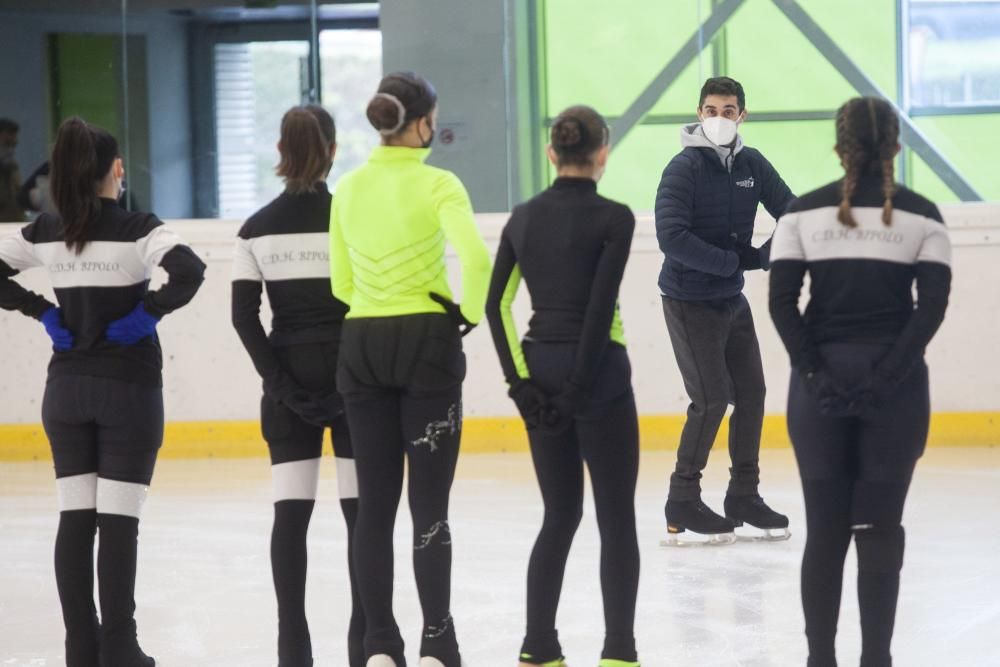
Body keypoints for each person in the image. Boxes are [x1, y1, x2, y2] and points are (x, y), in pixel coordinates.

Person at [0, 117, 205, 666]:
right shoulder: (140, 227)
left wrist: (43, 311)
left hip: (65, 392)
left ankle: (80, 649)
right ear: (116, 169)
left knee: (76, 518)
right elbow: (189, 270)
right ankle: (119, 646)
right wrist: (148, 314)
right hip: (128, 391)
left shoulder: (46, 229)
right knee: (117, 524)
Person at [769, 96, 951, 667]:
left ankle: (819, 659)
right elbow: (931, 309)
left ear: (838, 149)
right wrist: (887, 378)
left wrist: (815, 374)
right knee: (878, 530)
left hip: (817, 392)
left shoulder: (800, 213)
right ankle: (877, 660)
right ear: (895, 147)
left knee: (825, 534)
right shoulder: (925, 216)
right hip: (895, 395)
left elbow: (780, 305)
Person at [328, 71, 492, 667]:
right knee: (429, 503)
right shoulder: (439, 183)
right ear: (421, 123)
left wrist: (375, 306)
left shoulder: (347, 188)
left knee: (374, 505)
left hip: (362, 341)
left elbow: (341, 283)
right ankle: (436, 642)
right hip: (427, 340)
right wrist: (466, 316)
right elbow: (475, 259)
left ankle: (378, 645)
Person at [486, 105, 641, 667]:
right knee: (615, 517)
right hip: (596, 377)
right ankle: (619, 653)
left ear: (552, 154)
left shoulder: (522, 217)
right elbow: (599, 313)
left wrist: (520, 387)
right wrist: (579, 388)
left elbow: (495, 306)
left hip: (540, 374)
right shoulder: (616, 219)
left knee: (559, 514)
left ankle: (538, 646)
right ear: (602, 154)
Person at [231, 105, 365, 667]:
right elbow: (370, 307)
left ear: (280, 153)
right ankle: (367, 642)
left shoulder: (255, 229)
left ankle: (293, 651)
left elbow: (244, 318)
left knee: (291, 515)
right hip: (353, 384)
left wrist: (284, 389)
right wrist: (346, 385)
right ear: (332, 150)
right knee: (362, 516)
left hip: (287, 387)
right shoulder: (352, 220)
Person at [654, 76, 794, 544]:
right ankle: (682, 499)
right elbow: (671, 238)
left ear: (742, 116)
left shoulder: (751, 163)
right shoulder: (683, 169)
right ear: (699, 114)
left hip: (730, 300)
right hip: (688, 299)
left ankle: (743, 495)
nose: (719, 118)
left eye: (728, 110)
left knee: (751, 394)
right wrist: (736, 261)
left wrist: (765, 254)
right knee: (711, 399)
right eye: (711, 110)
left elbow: (790, 210)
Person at [0, 117, 25, 222]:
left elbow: (17, 191)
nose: (16, 141)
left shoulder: (11, 165)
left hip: (12, 220)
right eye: (7, 145)